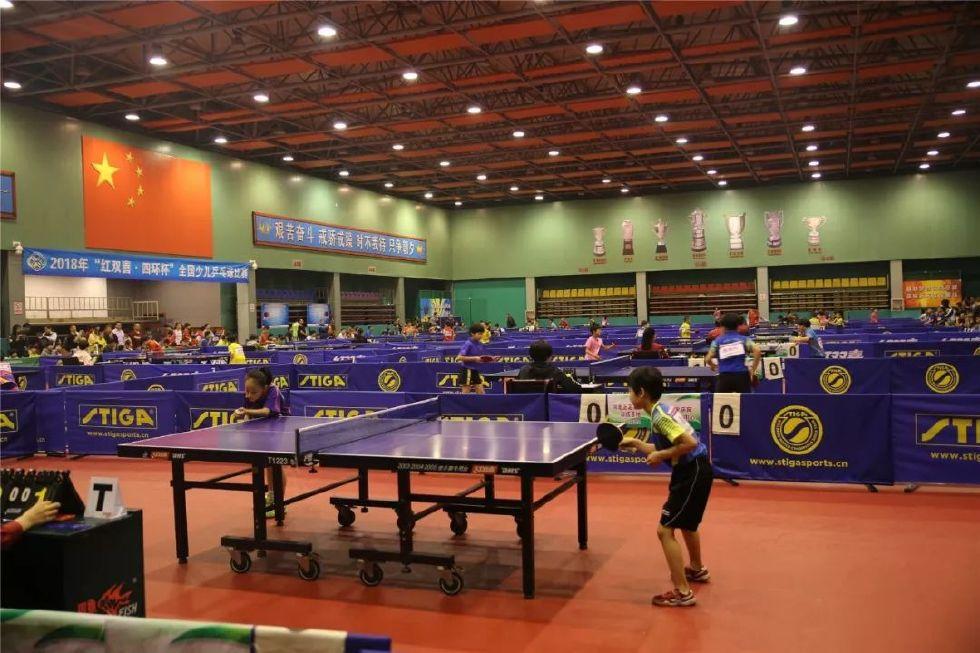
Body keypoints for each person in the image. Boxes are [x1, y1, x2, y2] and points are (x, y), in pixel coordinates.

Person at [615, 367, 713, 607]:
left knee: (664, 530)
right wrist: (638, 443)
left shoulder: (660, 416)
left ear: (641, 392)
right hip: (696, 470)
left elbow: (689, 443)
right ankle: (697, 569)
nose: (628, 395)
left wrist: (660, 456)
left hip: (691, 472)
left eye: (630, 390)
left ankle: (683, 592)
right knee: (687, 524)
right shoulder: (661, 410)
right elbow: (670, 446)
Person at [233, 368, 286, 517]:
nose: (248, 395)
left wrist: (246, 412)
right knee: (267, 464)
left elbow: (268, 411)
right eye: (246, 391)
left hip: (280, 428)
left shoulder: (273, 390)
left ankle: (280, 503)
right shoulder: (250, 393)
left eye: (253, 392)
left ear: (264, 388)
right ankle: (272, 496)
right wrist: (240, 415)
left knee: (276, 466)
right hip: (262, 429)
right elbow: (247, 412)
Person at [704, 313, 761, 392]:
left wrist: (713, 365)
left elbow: (707, 359)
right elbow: (757, 351)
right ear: (738, 326)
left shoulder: (717, 341)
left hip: (724, 377)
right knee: (745, 399)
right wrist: (753, 370)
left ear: (723, 327)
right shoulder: (744, 339)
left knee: (721, 400)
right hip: (742, 376)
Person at [516, 340, 582, 393]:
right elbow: (574, 389)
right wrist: (571, 378)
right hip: (549, 405)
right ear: (549, 357)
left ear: (530, 356)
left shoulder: (523, 370)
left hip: (527, 405)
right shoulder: (556, 371)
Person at [456, 323, 496, 394]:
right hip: (467, 370)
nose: (481, 336)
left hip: (475, 370)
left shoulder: (479, 344)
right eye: (479, 334)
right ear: (472, 334)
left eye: (482, 334)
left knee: (481, 392)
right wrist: (474, 358)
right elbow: (459, 358)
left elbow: (480, 359)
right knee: (465, 393)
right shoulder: (468, 344)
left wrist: (491, 359)